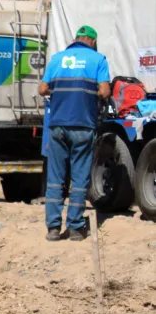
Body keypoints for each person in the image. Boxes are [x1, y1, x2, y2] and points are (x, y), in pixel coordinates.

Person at [39, 25, 111, 242]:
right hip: (83, 124)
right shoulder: (98, 59)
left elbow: (42, 89)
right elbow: (105, 91)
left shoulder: (58, 58)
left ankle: (53, 228)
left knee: (56, 178)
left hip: (58, 124)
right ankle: (75, 228)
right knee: (79, 178)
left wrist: (61, 94)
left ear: (76, 39)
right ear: (91, 40)